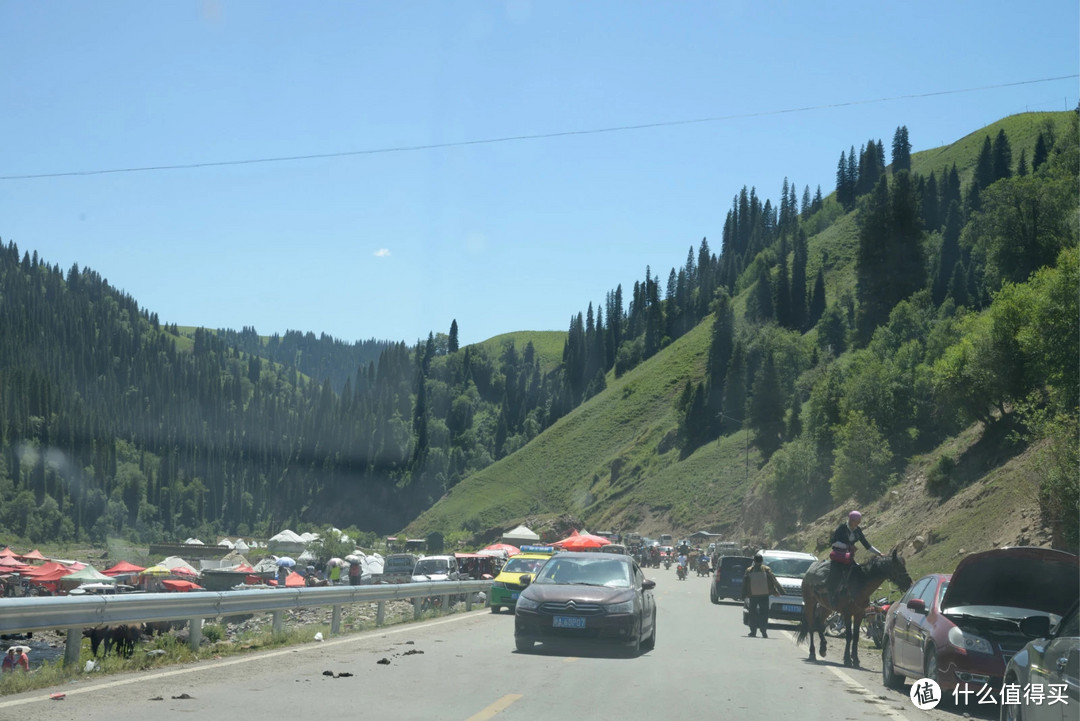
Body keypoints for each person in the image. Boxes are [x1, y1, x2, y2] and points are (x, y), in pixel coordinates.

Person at [826, 510, 883, 608]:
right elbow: (834, 543)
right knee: (835, 574)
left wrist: (879, 553)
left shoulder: (858, 530)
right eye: (856, 521)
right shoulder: (842, 528)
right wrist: (848, 546)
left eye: (859, 521)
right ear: (850, 520)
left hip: (848, 557)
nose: (858, 523)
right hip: (838, 556)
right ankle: (831, 596)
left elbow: (867, 545)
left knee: (858, 572)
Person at [741, 553, 783, 638]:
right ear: (762, 561)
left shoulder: (749, 570)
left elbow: (744, 583)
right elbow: (773, 580)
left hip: (752, 595)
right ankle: (763, 631)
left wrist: (743, 595)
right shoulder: (766, 569)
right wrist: (780, 591)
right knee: (764, 613)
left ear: (754, 560)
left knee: (752, 613)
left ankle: (753, 631)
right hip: (764, 595)